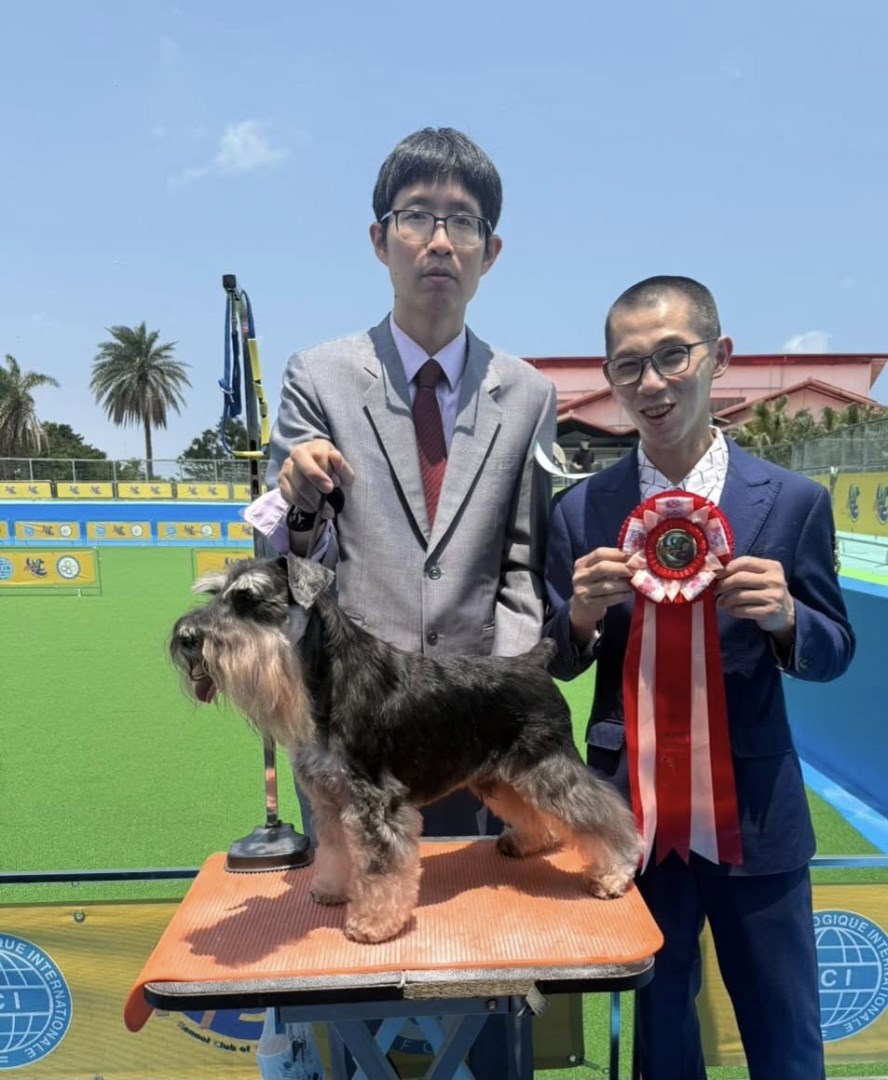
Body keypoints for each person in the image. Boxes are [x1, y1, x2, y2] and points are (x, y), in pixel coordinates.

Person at [247, 126, 557, 1080]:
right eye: (417, 216)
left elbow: (524, 556)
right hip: (357, 726)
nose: (439, 240)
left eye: (463, 221)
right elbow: (283, 557)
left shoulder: (529, 393)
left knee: (491, 980)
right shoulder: (316, 376)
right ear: (379, 238)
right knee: (358, 981)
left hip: (472, 723)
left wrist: (498, 683)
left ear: (491, 251)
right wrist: (297, 499)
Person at [543, 275, 855, 1080]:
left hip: (756, 814)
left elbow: (834, 649)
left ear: (720, 357)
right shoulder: (580, 511)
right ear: (608, 379)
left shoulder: (793, 502)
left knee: (787, 1043)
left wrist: (788, 617)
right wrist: (580, 616)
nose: (651, 383)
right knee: (662, 1048)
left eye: (671, 356)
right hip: (628, 818)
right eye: (628, 365)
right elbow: (553, 661)